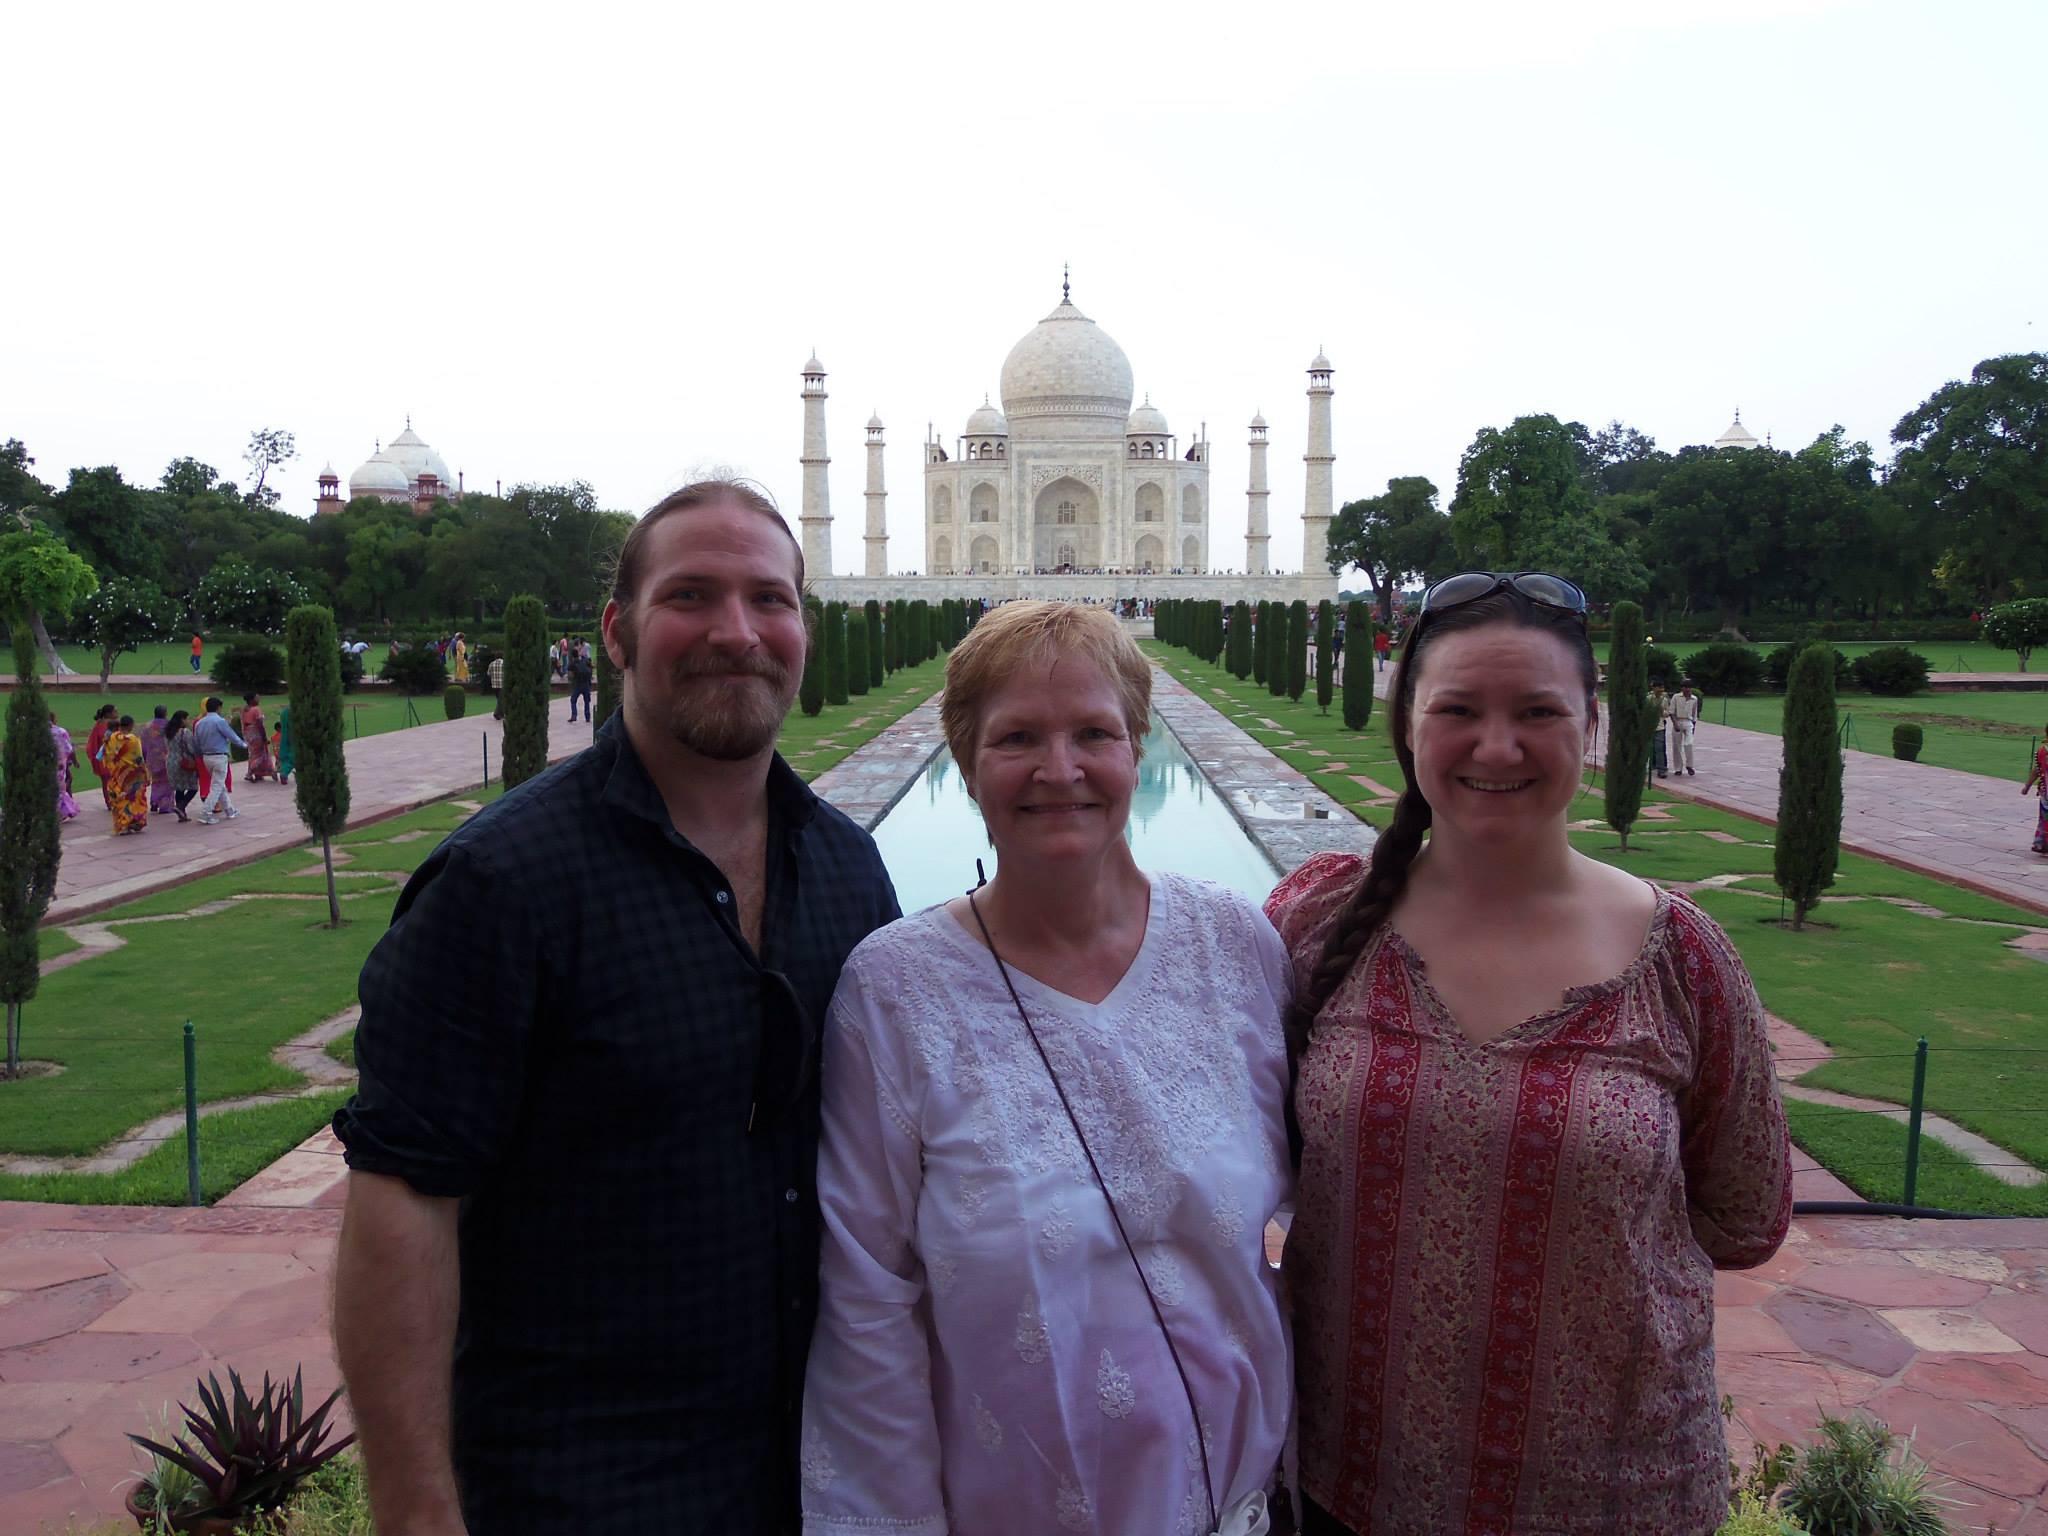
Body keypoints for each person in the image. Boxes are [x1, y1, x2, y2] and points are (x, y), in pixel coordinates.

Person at [332, 478, 901, 1535]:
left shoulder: (847, 871)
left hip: (814, 1481)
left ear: (802, 630)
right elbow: (404, 1203)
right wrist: (416, 1512)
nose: (737, 632)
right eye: (691, 595)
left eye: (768, 600)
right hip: (578, 1486)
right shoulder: (503, 886)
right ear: (617, 633)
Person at [1264, 570, 1790, 1535]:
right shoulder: (1319, 921)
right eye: (1457, 709)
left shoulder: (1683, 960)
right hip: (1351, 1485)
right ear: (1408, 726)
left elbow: (1746, 1218)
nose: (1496, 745)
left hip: (1614, 1495)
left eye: (1536, 712)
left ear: (1590, 726)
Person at [800, 601, 1294, 1536]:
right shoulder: (896, 992)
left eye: (1093, 734)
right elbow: (868, 1304)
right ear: (965, 760)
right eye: (1017, 737)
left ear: (1139, 746)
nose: (1058, 770)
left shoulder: (1236, 946)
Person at [192, 697, 241, 824]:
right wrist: (244, 745)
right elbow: (232, 736)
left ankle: (230, 810)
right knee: (216, 786)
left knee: (219, 784)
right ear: (218, 707)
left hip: (206, 757)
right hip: (219, 756)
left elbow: (196, 743)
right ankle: (206, 812)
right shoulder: (220, 721)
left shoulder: (199, 723)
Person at [103, 715, 150, 834]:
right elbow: (139, 758)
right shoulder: (133, 740)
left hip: (116, 774)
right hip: (132, 774)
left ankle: (122, 824)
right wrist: (145, 773)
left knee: (119, 799)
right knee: (135, 798)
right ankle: (134, 822)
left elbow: (107, 755)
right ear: (130, 725)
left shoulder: (112, 737)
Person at [141, 705, 176, 820]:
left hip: (152, 758)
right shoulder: (169, 725)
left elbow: (143, 743)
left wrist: (145, 757)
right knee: (167, 783)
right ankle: (165, 806)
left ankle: (154, 802)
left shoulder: (147, 726)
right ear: (165, 713)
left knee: (156, 781)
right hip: (167, 758)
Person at [166, 710, 199, 822]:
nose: (188, 721)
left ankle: (182, 814)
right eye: (186, 718)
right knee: (193, 787)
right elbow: (191, 748)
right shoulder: (185, 732)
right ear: (182, 720)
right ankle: (181, 806)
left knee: (179, 788)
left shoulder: (169, 732)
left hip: (171, 761)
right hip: (184, 762)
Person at [85, 704, 117, 808]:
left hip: (111, 758)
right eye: (115, 711)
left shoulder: (109, 725)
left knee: (111, 780)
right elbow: (93, 743)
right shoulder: (100, 726)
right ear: (108, 713)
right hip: (104, 758)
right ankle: (110, 801)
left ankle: (112, 800)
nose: (117, 713)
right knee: (107, 780)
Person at [51, 712, 81, 822]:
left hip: (44, 764)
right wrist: (75, 761)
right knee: (60, 788)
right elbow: (69, 749)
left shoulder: (38, 732)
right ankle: (61, 812)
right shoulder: (61, 731)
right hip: (59, 764)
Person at [1670, 677, 1702, 775]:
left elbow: (1694, 714)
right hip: (1678, 720)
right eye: (1685, 687)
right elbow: (1672, 712)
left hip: (1688, 722)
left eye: (1689, 687)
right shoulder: (1676, 697)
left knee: (1689, 743)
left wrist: (1694, 727)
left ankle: (1689, 765)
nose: (1687, 689)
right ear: (1682, 688)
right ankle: (1678, 768)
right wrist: (1675, 724)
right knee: (1677, 746)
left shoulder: (1694, 699)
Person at [241, 693, 275, 781]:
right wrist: (264, 737)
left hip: (248, 734)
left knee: (253, 753)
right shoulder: (256, 709)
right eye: (257, 698)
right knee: (260, 754)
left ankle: (258, 773)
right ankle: (250, 772)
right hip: (256, 733)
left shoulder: (245, 709)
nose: (258, 700)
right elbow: (260, 724)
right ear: (252, 700)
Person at [2025, 725, 2047, 854]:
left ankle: (2040, 843)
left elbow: (2036, 770)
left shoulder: (2042, 750)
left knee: (2044, 818)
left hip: (2046, 791)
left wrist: (2027, 786)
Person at [567, 637, 595, 722]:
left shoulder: (572, 664)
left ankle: (574, 716)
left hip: (577, 684)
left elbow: (571, 676)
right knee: (587, 702)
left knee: (573, 700)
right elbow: (592, 667)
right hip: (586, 684)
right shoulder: (585, 660)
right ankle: (587, 717)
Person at [1649, 681, 1671, 778]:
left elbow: (1667, 713)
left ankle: (1661, 769)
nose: (1661, 690)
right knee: (1650, 748)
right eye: (1659, 688)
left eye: (1662, 688)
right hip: (1649, 726)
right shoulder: (1648, 699)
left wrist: (1663, 712)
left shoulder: (1664, 700)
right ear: (1654, 688)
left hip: (1660, 726)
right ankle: (1651, 765)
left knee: (1659, 747)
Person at [275, 703, 294, 786]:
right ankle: (285, 773)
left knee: (287, 754)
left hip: (286, 736)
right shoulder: (294, 712)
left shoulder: (284, 712)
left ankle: (284, 772)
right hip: (294, 735)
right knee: (294, 755)